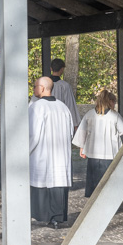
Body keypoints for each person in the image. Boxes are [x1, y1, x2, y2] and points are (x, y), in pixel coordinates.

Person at [29, 76, 74, 228]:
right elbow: (70, 134)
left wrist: (24, 151)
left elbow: (33, 134)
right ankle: (57, 217)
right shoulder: (63, 107)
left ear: (42, 88)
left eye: (35, 86)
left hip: (43, 154)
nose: (34, 89)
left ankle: (43, 215)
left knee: (44, 183)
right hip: (61, 155)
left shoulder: (36, 107)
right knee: (57, 184)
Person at [72, 89, 123, 198]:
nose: (115, 104)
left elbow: (82, 132)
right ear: (110, 101)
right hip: (109, 154)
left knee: (94, 184)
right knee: (108, 183)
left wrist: (81, 148)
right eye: (114, 102)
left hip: (93, 155)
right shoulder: (114, 115)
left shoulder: (89, 114)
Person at [47, 59, 81, 128]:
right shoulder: (65, 86)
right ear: (62, 69)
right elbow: (70, 105)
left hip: (46, 120)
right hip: (61, 122)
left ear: (51, 68)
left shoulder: (43, 84)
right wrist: (75, 125)